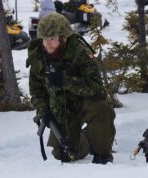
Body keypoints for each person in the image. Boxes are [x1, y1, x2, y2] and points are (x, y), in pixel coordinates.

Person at [27, 13, 116, 164]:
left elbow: (97, 89)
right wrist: (44, 112)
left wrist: (66, 81)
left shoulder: (80, 52)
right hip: (62, 109)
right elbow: (36, 90)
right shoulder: (38, 56)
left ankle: (102, 153)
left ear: (64, 37)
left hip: (85, 102)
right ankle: (87, 137)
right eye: (44, 39)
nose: (48, 44)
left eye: (52, 39)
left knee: (101, 108)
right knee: (63, 153)